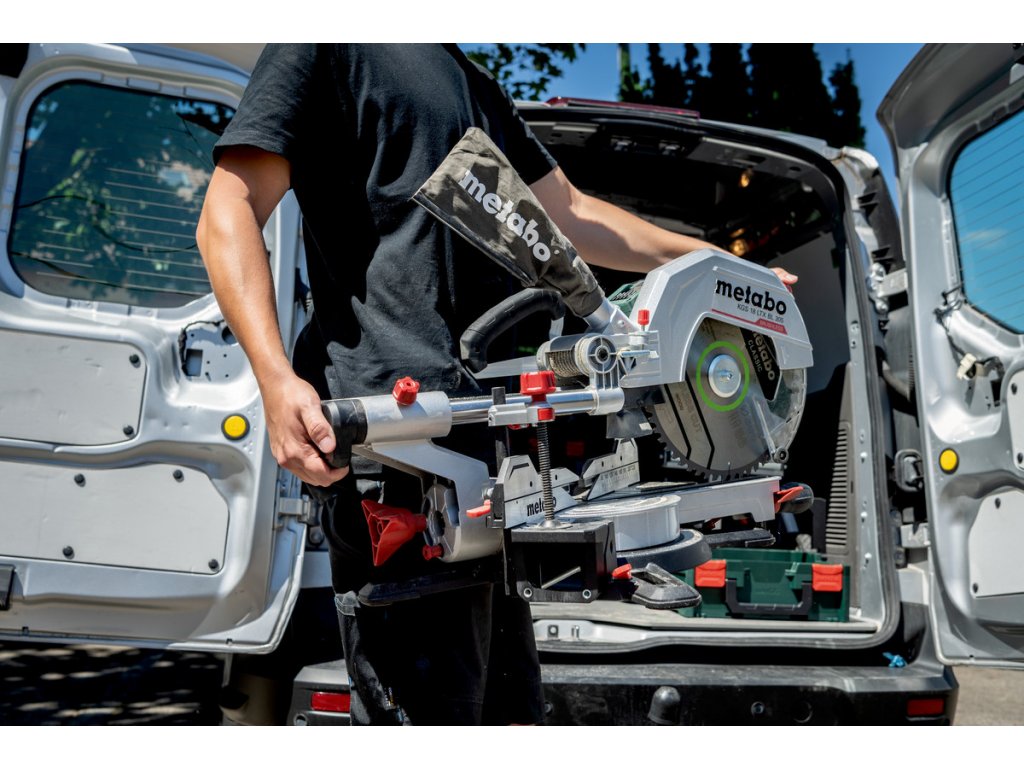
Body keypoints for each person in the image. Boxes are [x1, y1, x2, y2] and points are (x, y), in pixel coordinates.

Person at [197, 44, 796, 725]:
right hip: (399, 453)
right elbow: (228, 209)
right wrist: (277, 380)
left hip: (490, 453)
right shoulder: (332, 42)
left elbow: (570, 215)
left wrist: (719, 268)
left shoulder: (472, 81)